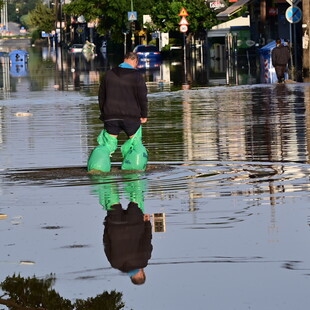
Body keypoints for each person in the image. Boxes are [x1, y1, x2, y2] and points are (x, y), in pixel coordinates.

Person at [98, 52, 148, 139]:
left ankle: (102, 152)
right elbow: (142, 97)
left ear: (124, 60)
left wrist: (104, 113)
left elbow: (101, 97)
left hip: (111, 116)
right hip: (131, 116)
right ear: (136, 61)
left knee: (108, 145)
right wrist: (144, 115)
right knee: (135, 145)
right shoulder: (137, 76)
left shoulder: (108, 74)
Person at [103, 202, 153, 285]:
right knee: (113, 199)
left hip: (134, 223)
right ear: (131, 277)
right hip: (115, 225)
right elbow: (106, 243)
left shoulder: (142, 262)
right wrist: (107, 224)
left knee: (135, 197)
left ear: (141, 274)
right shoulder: (115, 264)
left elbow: (146, 240)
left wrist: (147, 223)